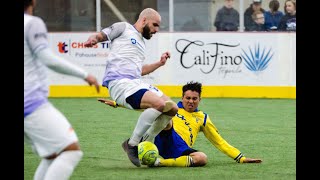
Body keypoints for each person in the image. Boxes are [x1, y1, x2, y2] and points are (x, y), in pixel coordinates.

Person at [84, 8, 178, 167]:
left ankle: (145, 144)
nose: (156, 30)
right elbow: (102, 35)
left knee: (172, 108)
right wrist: (93, 40)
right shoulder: (123, 28)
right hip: (119, 82)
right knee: (159, 104)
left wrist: (160, 63)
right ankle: (132, 145)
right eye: (155, 25)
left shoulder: (141, 42)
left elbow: (139, 70)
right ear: (143, 20)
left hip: (135, 82)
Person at [100, 81, 262, 167]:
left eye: (194, 98)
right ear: (182, 97)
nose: (191, 101)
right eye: (188, 98)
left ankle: (158, 163)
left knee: (202, 159)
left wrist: (240, 158)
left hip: (179, 147)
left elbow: (219, 141)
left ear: (200, 99)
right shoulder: (171, 107)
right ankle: (143, 141)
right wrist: (117, 103)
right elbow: (145, 105)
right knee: (167, 112)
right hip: (163, 134)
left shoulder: (203, 118)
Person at [24, 0, 100, 179]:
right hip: (30, 103)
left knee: (52, 154)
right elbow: (47, 58)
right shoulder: (32, 23)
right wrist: (84, 74)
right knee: (71, 151)